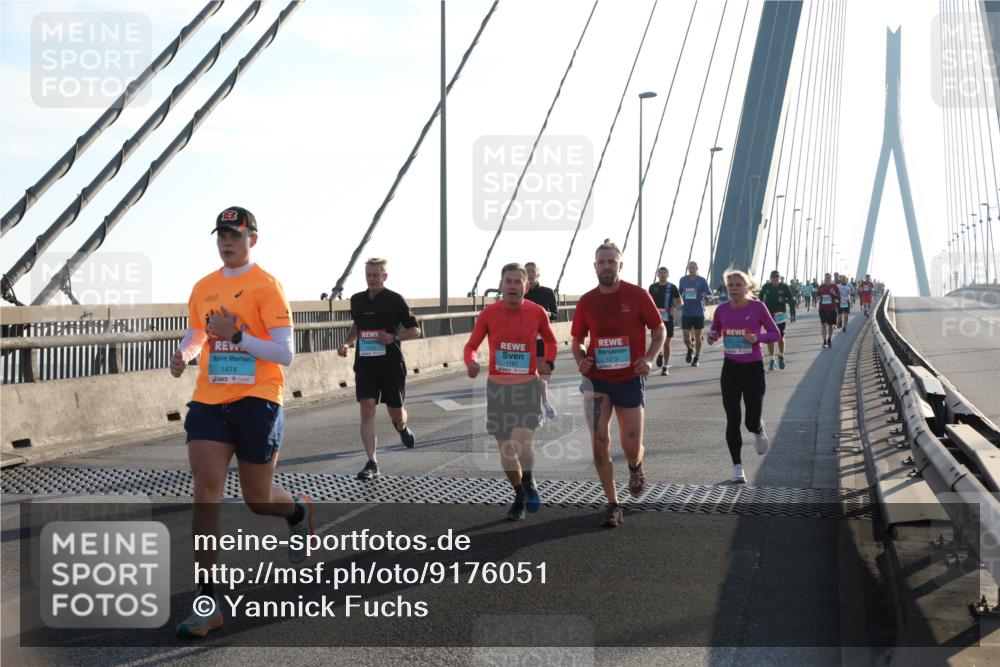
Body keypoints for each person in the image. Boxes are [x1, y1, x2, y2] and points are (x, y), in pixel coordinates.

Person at [171, 206, 312, 639]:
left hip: (257, 398)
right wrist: (185, 353)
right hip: (209, 401)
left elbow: (284, 354)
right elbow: (197, 331)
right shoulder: (204, 287)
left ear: (253, 238)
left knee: (257, 498)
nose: (227, 242)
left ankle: (297, 511)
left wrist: (236, 336)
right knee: (206, 492)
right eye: (222, 235)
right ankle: (208, 603)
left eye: (235, 234)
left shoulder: (267, 286)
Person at [572, 239, 665, 528]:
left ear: (620, 265)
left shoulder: (637, 295)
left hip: (629, 378)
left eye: (612, 261)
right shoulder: (586, 301)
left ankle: (636, 466)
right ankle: (613, 503)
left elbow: (659, 329)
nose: (607, 266)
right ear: (595, 266)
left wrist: (649, 358)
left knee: (631, 444)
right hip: (597, 380)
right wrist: (580, 360)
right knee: (599, 441)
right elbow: (577, 340)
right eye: (602, 262)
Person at [465, 263, 558, 520]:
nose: (513, 286)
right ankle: (519, 495)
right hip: (498, 388)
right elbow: (471, 346)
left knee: (523, 442)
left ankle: (528, 481)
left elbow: (550, 341)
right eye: (509, 281)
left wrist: (549, 362)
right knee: (506, 449)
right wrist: (471, 362)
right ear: (501, 285)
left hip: (527, 385)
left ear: (526, 286)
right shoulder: (488, 314)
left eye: (518, 282)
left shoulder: (537, 312)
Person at [338, 258, 421, 480]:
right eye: (368, 275)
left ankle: (402, 427)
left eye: (376, 275)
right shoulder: (357, 300)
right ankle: (372, 462)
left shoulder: (395, 300)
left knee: (396, 412)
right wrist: (347, 343)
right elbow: (357, 325)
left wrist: (393, 337)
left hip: (391, 365)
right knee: (366, 409)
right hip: (365, 365)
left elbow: (415, 330)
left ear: (384, 277)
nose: (372, 279)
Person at [705, 269, 780, 483]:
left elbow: (775, 334)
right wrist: (711, 336)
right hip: (730, 369)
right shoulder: (721, 309)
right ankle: (737, 466)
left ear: (748, 287)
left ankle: (758, 429)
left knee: (750, 421)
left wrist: (757, 338)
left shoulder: (758, 307)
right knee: (733, 418)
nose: (734, 289)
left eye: (739, 285)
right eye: (731, 285)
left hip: (753, 369)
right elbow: (716, 331)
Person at [524, 261, 560, 421]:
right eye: (527, 271)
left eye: (532, 271)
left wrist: (548, 314)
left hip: (542, 340)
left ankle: (544, 403)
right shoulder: (520, 293)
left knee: (540, 378)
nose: (530, 273)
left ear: (538, 273)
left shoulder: (547, 292)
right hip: (525, 341)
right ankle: (538, 408)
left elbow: (556, 314)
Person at [678, 261, 714, 367]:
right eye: (689, 268)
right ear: (687, 269)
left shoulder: (702, 280)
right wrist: (676, 304)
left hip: (698, 312)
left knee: (698, 336)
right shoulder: (683, 280)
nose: (691, 269)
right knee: (686, 337)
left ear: (697, 268)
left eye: (693, 267)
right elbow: (679, 294)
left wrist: (706, 296)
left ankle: (697, 357)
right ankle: (690, 348)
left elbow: (711, 296)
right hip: (686, 311)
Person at [648, 266, 681, 376]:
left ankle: (665, 367)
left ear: (668, 275)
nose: (662, 275)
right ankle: (660, 353)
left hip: (668, 319)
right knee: (656, 341)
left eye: (664, 273)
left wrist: (674, 307)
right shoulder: (652, 287)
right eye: (660, 273)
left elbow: (680, 302)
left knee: (667, 343)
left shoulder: (672, 287)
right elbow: (648, 301)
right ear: (657, 274)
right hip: (655, 319)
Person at [758, 271, 793, 370]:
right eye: (773, 277)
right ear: (770, 278)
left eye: (777, 277)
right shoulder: (766, 287)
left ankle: (781, 356)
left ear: (779, 278)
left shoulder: (784, 287)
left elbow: (791, 300)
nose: (775, 278)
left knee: (781, 337)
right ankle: (772, 360)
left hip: (780, 315)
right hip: (769, 316)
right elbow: (760, 299)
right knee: (770, 337)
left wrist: (784, 300)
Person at [816, 273, 841, 348]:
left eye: (829, 278)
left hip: (832, 309)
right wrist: (818, 297)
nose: (828, 279)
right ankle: (824, 341)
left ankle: (829, 338)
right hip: (822, 309)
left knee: (830, 326)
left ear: (831, 278)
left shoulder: (834, 287)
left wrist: (834, 293)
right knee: (823, 325)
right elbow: (817, 295)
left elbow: (838, 297)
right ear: (825, 278)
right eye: (827, 278)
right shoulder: (821, 287)